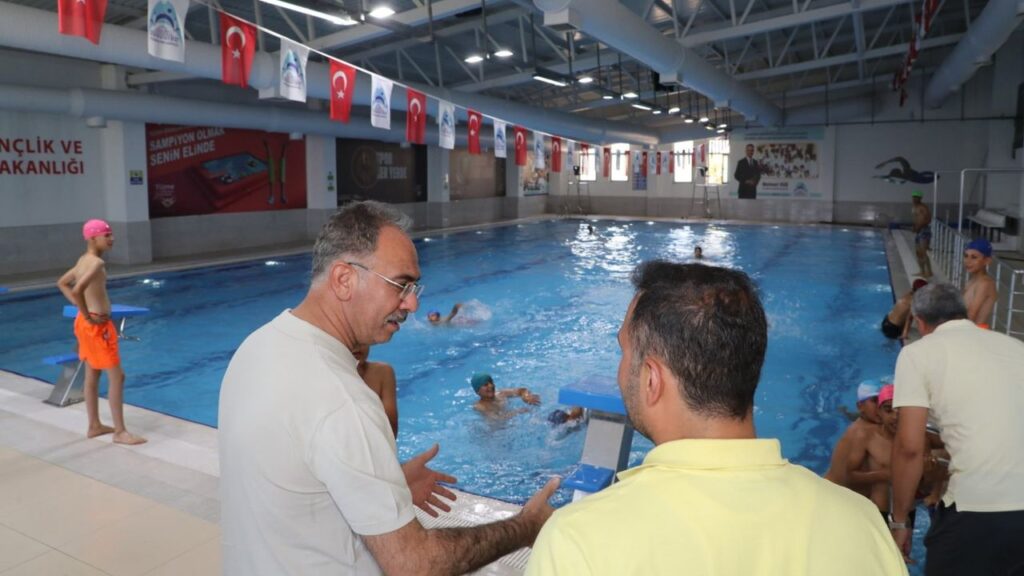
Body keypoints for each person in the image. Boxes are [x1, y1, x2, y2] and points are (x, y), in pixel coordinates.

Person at [219, 201, 559, 575]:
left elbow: (293, 483)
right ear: (344, 279)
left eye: (414, 287)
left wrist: (386, 481)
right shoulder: (342, 397)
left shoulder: (257, 346)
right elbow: (415, 564)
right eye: (401, 284)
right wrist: (525, 526)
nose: (412, 303)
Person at [526, 262, 907, 576]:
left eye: (624, 350)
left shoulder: (579, 540)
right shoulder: (862, 525)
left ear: (651, 380)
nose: (619, 367)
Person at [890, 283, 1024, 575]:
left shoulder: (918, 354)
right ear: (962, 313)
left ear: (921, 323)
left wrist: (900, 521)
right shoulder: (1015, 347)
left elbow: (909, 448)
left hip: (979, 509)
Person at [56, 219, 146, 446]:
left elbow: (62, 283)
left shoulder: (82, 260)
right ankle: (120, 431)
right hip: (96, 326)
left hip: (85, 325)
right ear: (92, 238)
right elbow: (76, 289)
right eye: (107, 235)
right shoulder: (95, 263)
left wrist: (82, 312)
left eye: (111, 234)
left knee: (92, 374)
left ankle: (94, 425)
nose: (112, 238)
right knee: (117, 376)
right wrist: (88, 314)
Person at [845, 385, 902, 522]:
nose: (895, 417)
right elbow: (849, 476)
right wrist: (883, 475)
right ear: (880, 412)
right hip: (878, 511)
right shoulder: (866, 438)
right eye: (889, 411)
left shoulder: (915, 440)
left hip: (906, 512)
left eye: (900, 412)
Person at [824, 380, 881, 495]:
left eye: (885, 403)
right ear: (860, 406)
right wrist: (886, 474)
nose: (880, 407)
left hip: (830, 489)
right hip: (836, 497)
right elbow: (850, 476)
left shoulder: (868, 422)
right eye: (875, 401)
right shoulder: (864, 433)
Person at [352, 344, 398, 438]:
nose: (358, 347)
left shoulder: (383, 372)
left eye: (362, 341)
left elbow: (391, 430)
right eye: (351, 341)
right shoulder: (328, 376)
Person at [471, 372, 541, 418]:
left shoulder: (500, 394)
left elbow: (522, 390)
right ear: (478, 391)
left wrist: (526, 396)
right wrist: (518, 411)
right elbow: (497, 419)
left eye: (491, 382)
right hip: (494, 434)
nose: (491, 386)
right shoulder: (479, 406)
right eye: (486, 384)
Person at [962, 238, 997, 326]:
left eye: (974, 257)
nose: (968, 261)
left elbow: (971, 314)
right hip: (969, 329)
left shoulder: (985, 283)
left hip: (974, 332)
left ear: (987, 261)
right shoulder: (974, 280)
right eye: (966, 256)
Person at [911, 190, 933, 278]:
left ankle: (929, 272)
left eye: (916, 197)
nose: (914, 199)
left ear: (920, 198)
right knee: (918, 252)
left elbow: (927, 219)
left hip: (924, 231)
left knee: (923, 252)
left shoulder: (923, 207)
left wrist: (919, 227)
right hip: (919, 230)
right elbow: (916, 219)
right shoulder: (914, 207)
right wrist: (915, 227)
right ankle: (922, 271)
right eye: (913, 197)